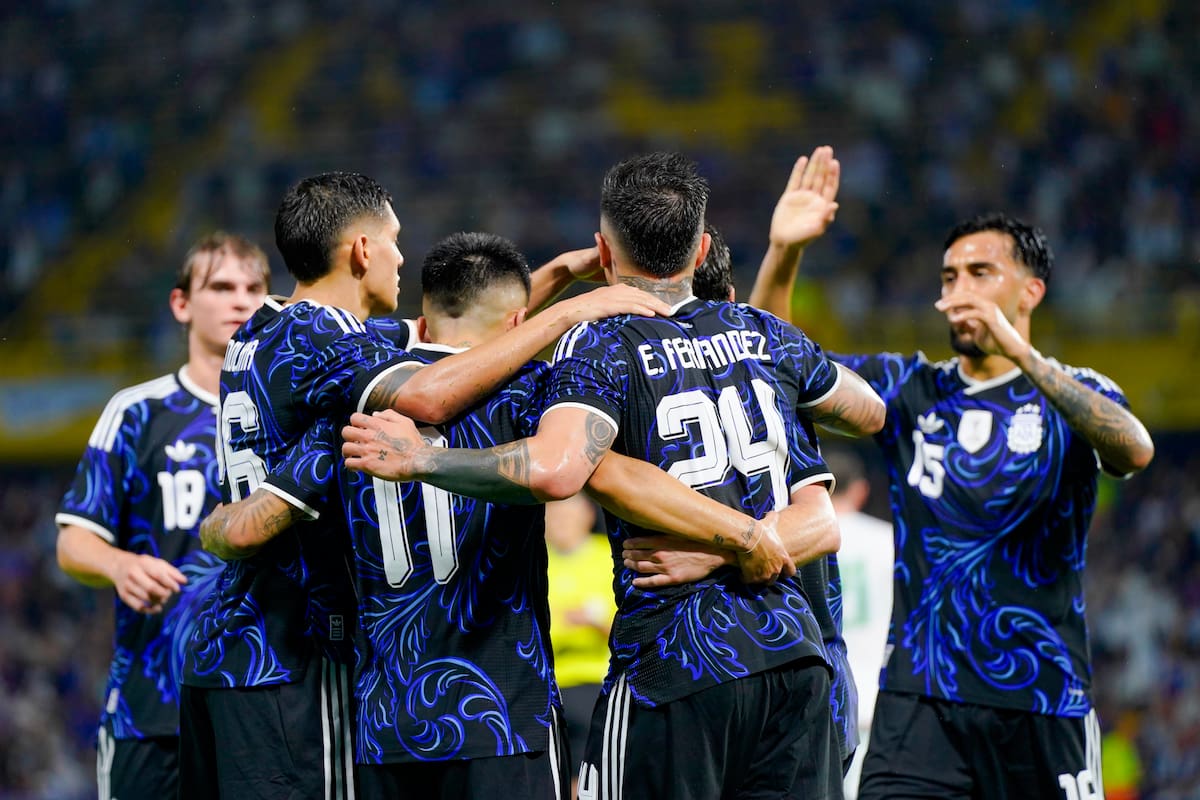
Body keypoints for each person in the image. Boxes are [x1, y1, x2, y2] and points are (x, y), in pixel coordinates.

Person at [342, 152, 886, 798]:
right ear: (702, 246)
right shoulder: (766, 337)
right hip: (794, 661)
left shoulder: (601, 341)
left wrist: (425, 459)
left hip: (678, 660)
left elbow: (554, 467)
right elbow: (866, 411)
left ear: (604, 252)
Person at [201, 229, 810, 799]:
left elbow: (251, 523)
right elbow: (589, 465)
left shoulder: (357, 416)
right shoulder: (533, 397)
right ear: (519, 323)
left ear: (422, 311)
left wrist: (213, 528)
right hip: (505, 713)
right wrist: (732, 535)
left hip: (388, 723)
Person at [178, 174, 673, 800]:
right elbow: (434, 390)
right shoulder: (340, 367)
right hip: (298, 662)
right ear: (361, 251)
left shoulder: (265, 333)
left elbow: (455, 330)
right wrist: (574, 310)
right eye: (394, 240)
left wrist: (554, 276)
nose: (402, 257)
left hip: (261, 658)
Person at [749, 201, 1156, 797]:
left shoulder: (1076, 392)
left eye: (980, 273)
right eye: (949, 277)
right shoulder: (912, 389)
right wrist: (784, 252)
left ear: (1032, 290)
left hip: (1040, 698)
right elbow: (773, 365)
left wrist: (1020, 355)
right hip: (918, 701)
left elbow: (1135, 450)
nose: (959, 290)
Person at [55, 233, 269, 799]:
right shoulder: (137, 413)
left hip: (262, 705)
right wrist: (121, 564)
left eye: (254, 288)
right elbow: (73, 540)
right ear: (181, 304)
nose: (240, 301)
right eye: (221, 287)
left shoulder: (289, 418)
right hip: (152, 709)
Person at [821, 446, 893, 800]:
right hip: (879, 700)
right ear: (861, 490)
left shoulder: (801, 545)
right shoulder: (888, 541)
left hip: (825, 701)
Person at [543, 493, 614, 798]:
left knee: (591, 770)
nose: (559, 525)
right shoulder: (539, 564)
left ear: (587, 517)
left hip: (594, 680)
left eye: (566, 516)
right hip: (553, 683)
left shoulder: (607, 556)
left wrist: (592, 621)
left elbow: (620, 623)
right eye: (552, 518)